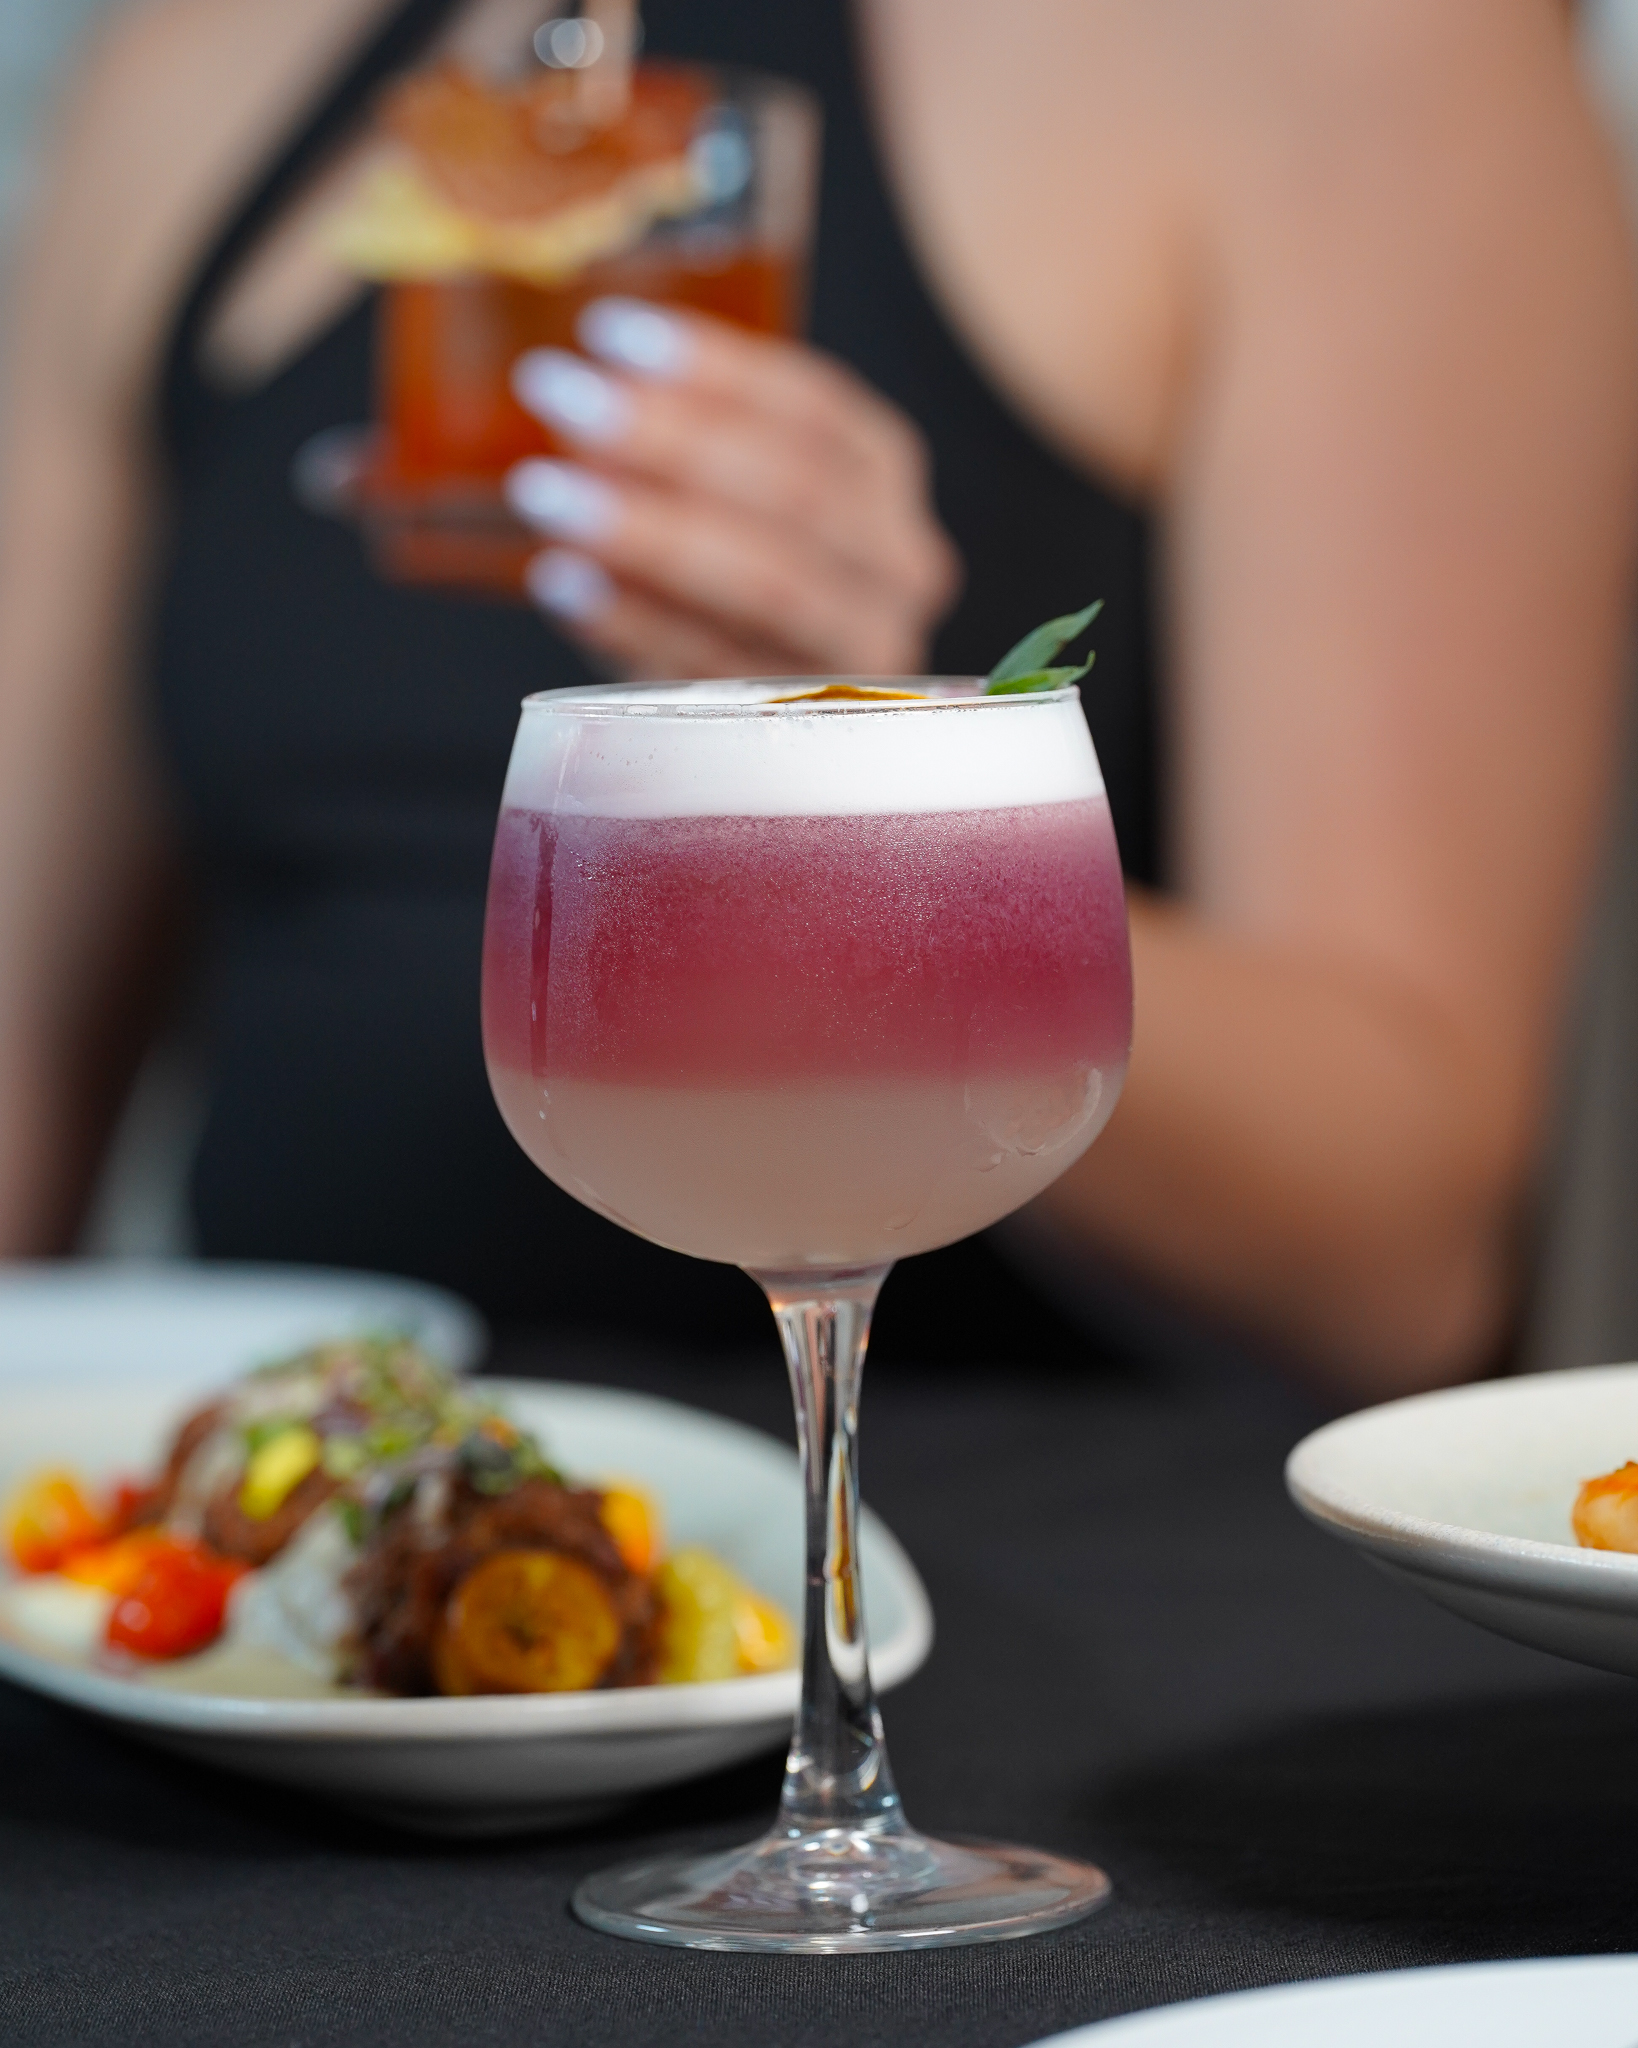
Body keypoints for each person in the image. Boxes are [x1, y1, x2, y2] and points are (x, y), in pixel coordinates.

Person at [0, 0, 1632, 1405]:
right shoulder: (196, 67)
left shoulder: (1337, 49)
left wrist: (872, 811)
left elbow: (1403, 1269)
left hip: (1043, 1578)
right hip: (288, 1568)